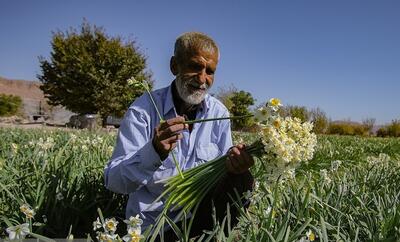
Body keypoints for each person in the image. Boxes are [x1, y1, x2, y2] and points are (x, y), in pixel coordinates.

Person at [104, 32, 254, 239]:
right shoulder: (144, 110)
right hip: (153, 224)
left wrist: (235, 166)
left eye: (210, 71)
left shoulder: (218, 113)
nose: (202, 79)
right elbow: (114, 182)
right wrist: (154, 151)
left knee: (242, 178)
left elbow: (222, 175)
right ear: (175, 66)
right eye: (194, 67)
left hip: (200, 218)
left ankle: (222, 233)